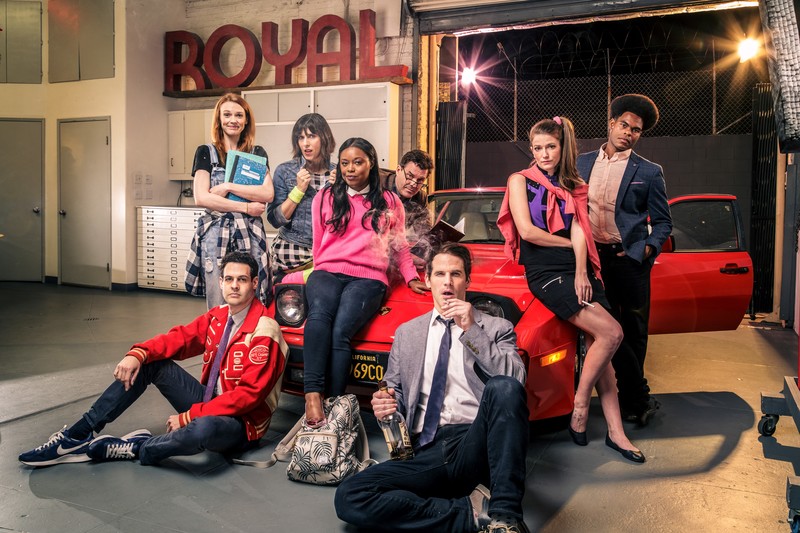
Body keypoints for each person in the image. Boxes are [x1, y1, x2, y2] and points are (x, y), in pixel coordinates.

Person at [19, 251, 288, 467]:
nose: (234, 286)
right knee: (152, 363)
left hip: (241, 424)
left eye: (242, 280)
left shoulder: (265, 330)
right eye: (229, 279)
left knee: (201, 429)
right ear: (220, 283)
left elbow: (247, 397)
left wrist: (190, 416)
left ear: (255, 283)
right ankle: (78, 435)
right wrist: (139, 353)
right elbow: (179, 339)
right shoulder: (218, 316)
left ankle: (138, 448)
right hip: (208, 402)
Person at [334, 243, 529, 533]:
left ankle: (505, 517)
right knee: (350, 496)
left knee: (503, 387)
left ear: (468, 280)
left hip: (473, 445)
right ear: (427, 280)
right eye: (439, 273)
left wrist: (471, 329)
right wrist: (386, 405)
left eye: (455, 274)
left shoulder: (496, 327)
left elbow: (514, 380)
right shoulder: (407, 333)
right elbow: (395, 391)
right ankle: (469, 516)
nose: (447, 282)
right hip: (425, 450)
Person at [500, 116, 644, 463]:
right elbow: (528, 232)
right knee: (611, 333)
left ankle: (616, 433)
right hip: (544, 269)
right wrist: (571, 250)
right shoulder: (520, 180)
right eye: (537, 148)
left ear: (562, 147)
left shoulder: (574, 183)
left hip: (576, 268)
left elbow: (581, 230)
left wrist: (582, 270)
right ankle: (579, 407)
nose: (544, 154)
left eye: (550, 147)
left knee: (601, 347)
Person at [303, 137, 428, 427]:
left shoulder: (389, 201)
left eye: (357, 162)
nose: (350, 169)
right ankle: (313, 396)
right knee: (319, 316)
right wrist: (319, 272)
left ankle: (335, 403)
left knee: (341, 331)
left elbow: (399, 246)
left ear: (371, 163)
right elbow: (318, 244)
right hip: (328, 272)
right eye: (344, 163)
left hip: (369, 277)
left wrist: (411, 278)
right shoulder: (324, 197)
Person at [577, 94, 672, 427]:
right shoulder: (581, 163)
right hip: (593, 261)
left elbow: (663, 223)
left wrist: (645, 249)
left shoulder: (649, 171)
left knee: (632, 332)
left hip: (628, 260)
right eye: (624, 125)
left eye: (636, 130)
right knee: (604, 329)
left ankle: (634, 401)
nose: (629, 133)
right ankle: (627, 392)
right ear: (611, 123)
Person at [186, 93, 274, 309]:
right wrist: (245, 206)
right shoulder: (205, 152)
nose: (232, 120)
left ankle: (250, 341)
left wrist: (227, 186)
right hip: (216, 233)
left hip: (249, 232)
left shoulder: (257, 153)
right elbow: (202, 197)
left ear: (246, 121)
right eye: (226, 114)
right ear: (219, 119)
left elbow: (267, 194)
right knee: (219, 296)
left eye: (238, 115)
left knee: (252, 291)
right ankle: (219, 342)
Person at [267, 113, 336, 283]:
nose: (305, 143)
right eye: (301, 138)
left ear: (324, 138)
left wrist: (340, 190)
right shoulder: (285, 171)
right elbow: (275, 220)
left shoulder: (338, 172)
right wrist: (298, 190)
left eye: (312, 136)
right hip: (290, 256)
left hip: (325, 254)